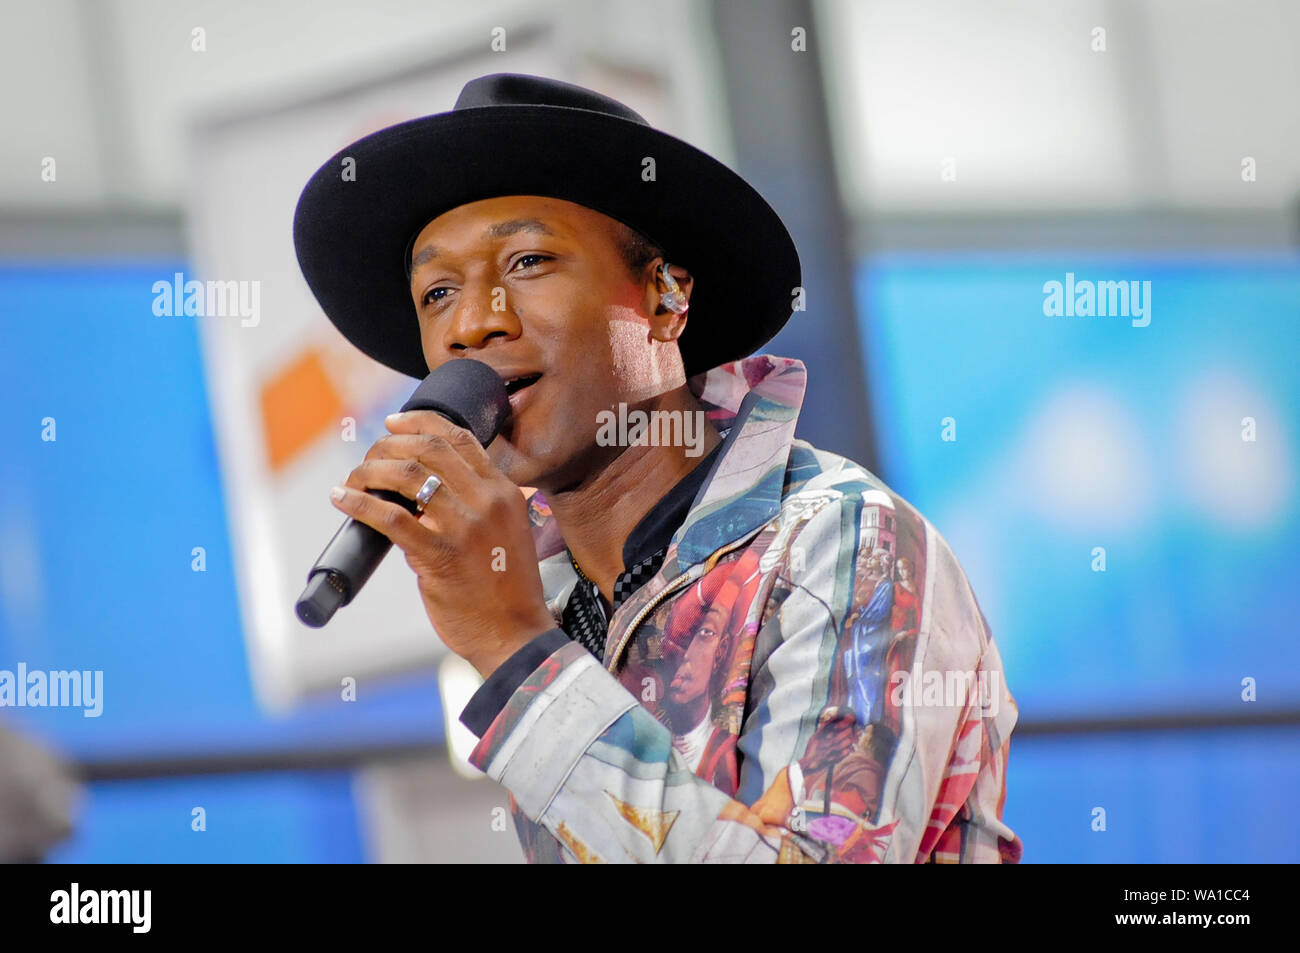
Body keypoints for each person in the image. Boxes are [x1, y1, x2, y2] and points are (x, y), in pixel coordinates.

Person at [293, 72, 1022, 863]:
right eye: (437, 292)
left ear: (667, 296)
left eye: (530, 260)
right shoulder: (551, 597)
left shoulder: (846, 542)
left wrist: (513, 652)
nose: (473, 321)